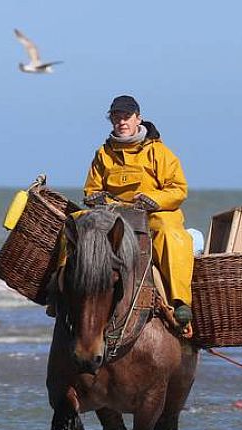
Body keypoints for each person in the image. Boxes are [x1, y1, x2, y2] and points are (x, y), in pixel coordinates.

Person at [82, 95, 194, 329]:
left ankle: (180, 301)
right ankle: (61, 292)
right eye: (116, 117)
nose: (121, 121)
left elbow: (178, 190)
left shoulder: (159, 152)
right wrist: (96, 199)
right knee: (77, 224)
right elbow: (92, 188)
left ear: (137, 119)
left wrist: (152, 200)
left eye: (126, 116)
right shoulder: (103, 154)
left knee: (169, 232)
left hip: (153, 213)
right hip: (114, 214)